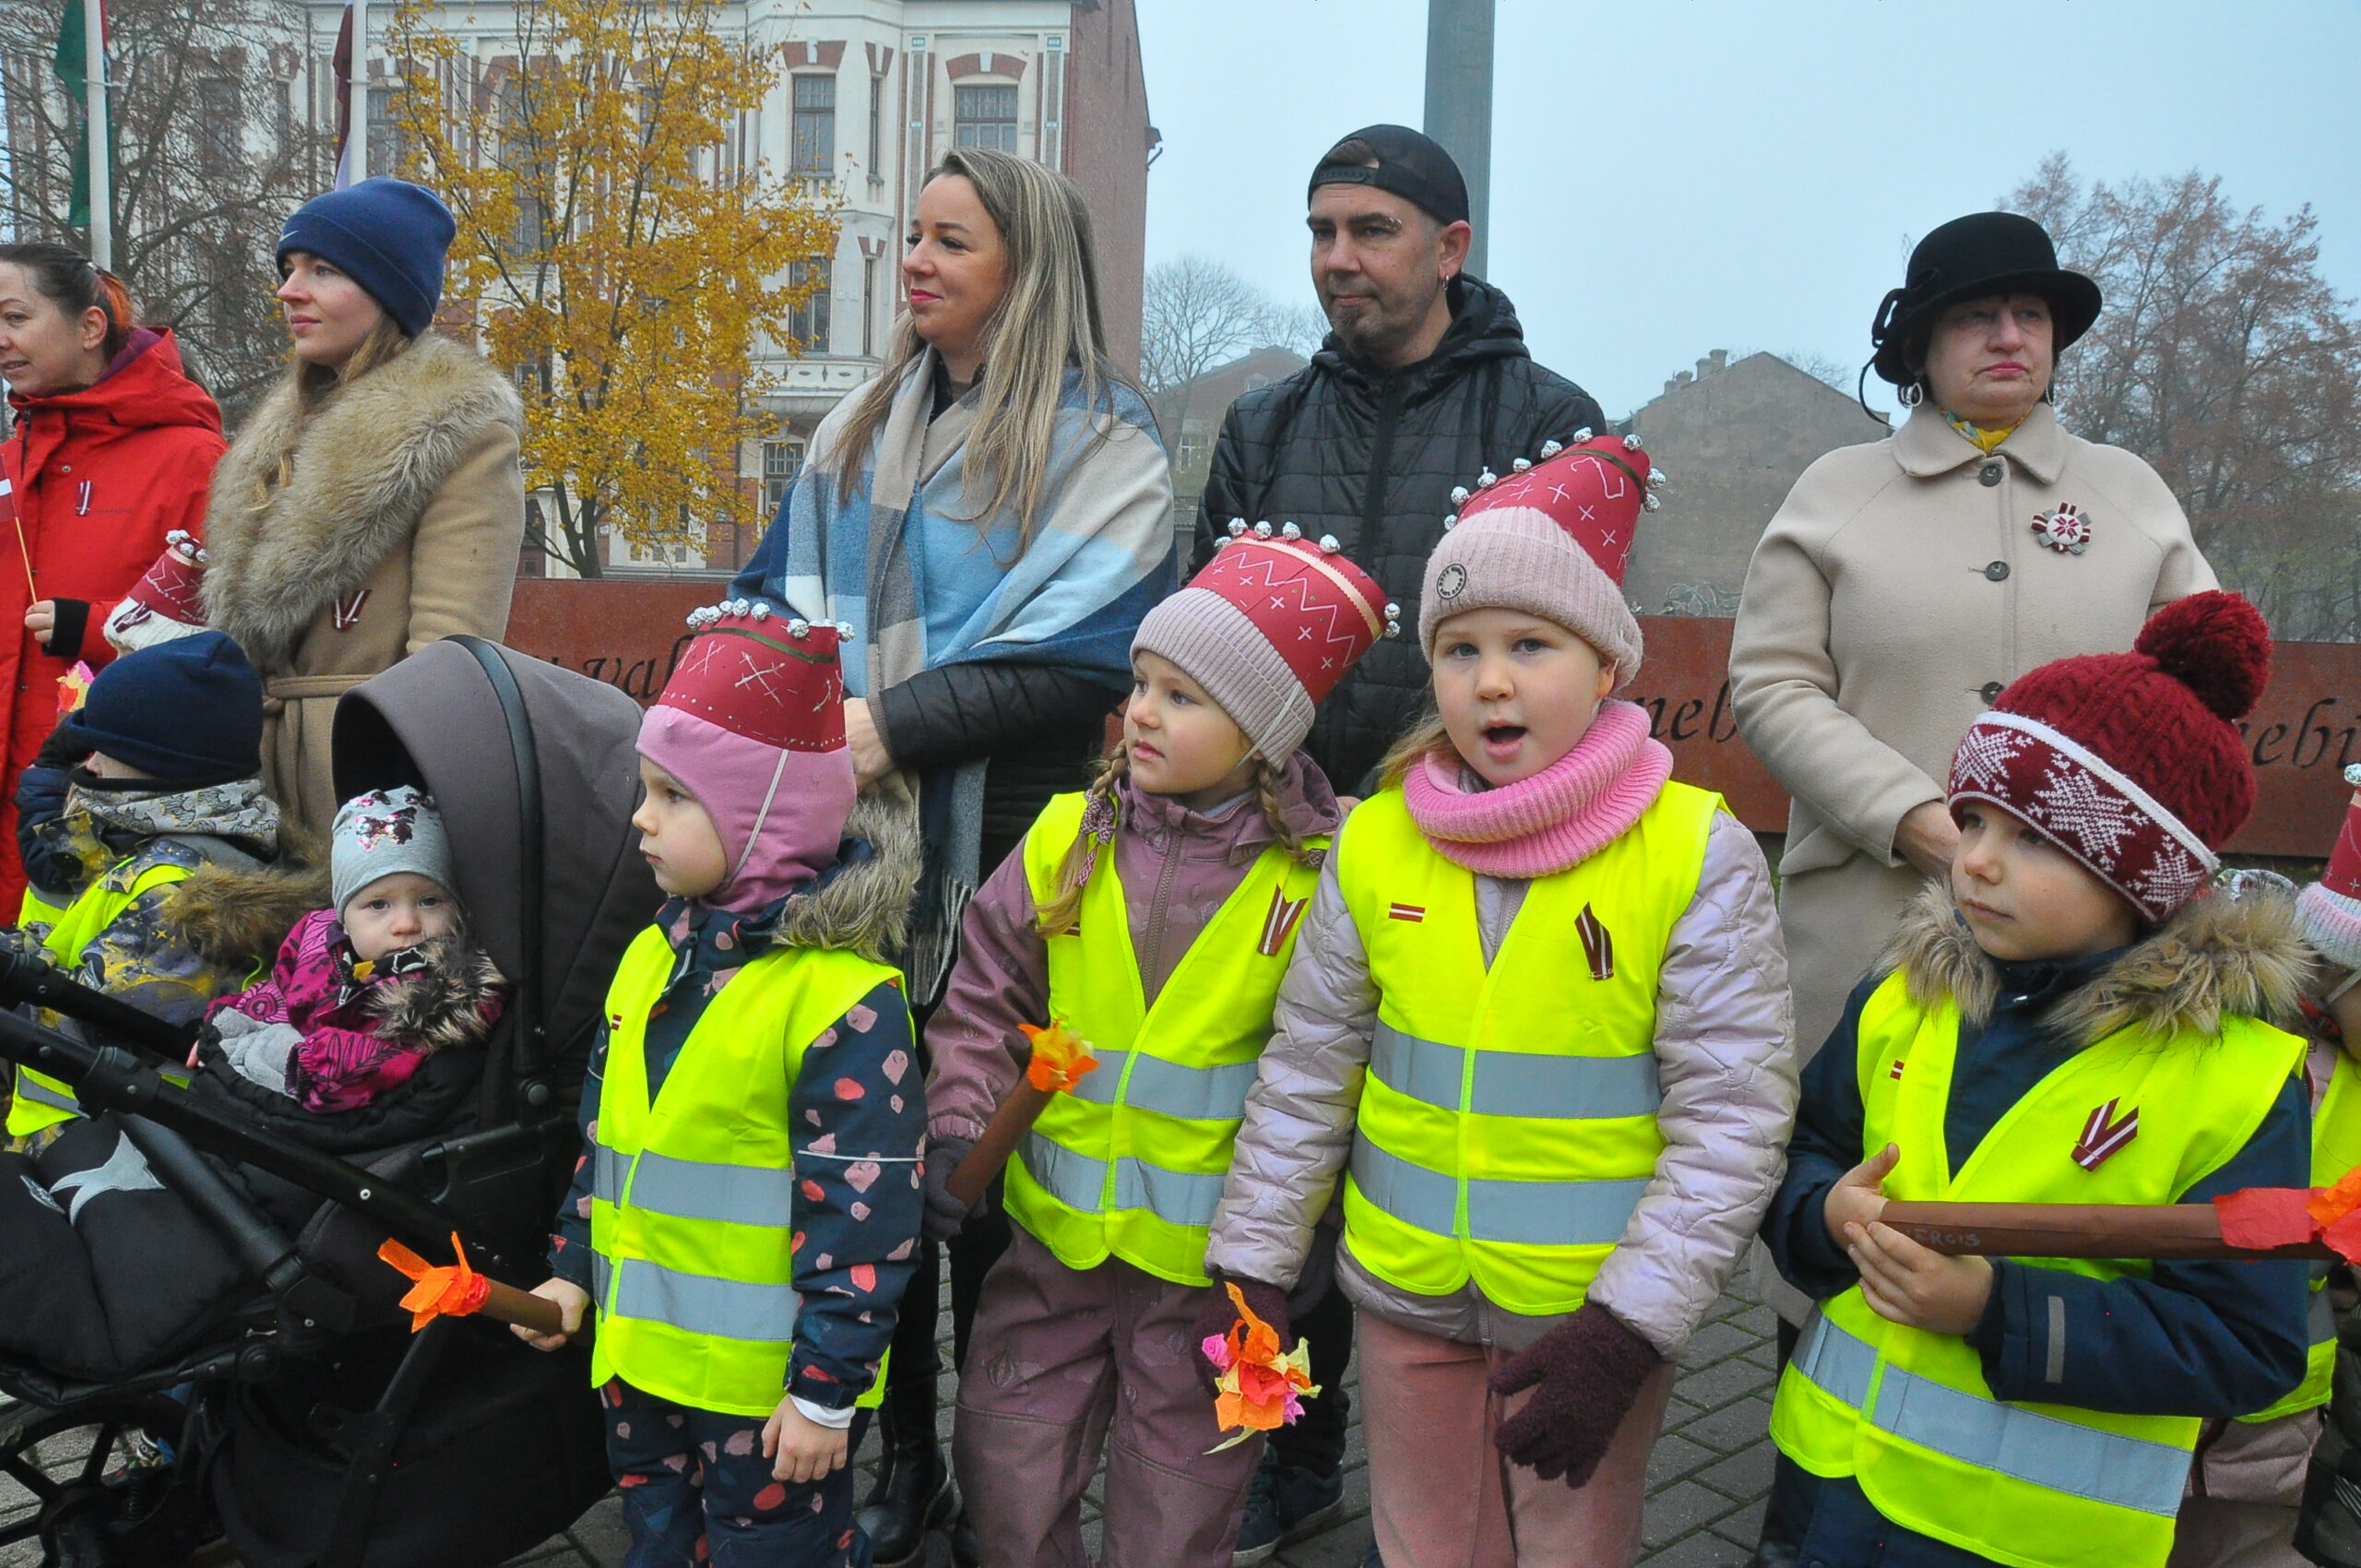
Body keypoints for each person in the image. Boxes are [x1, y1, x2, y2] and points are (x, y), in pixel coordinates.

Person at [1205, 438, 1795, 1568]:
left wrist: (1629, 1325)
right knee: (1424, 1547)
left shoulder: (1692, 849)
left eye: (1531, 644)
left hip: (1588, 1314)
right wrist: (1257, 1262)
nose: (1489, 681)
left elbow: (1732, 1117)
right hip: (1405, 1294)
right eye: (1459, 647)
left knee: (1573, 1549)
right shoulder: (1376, 839)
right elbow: (1309, 1067)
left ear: (1607, 663)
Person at [729, 146, 1174, 1564]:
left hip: (1015, 860)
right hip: (856, 857)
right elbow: (769, 594)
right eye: (914, 236)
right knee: (865, 1166)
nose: (914, 261)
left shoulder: (1107, 440)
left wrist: (882, 726)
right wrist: (759, 683)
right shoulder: (858, 426)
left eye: (951, 241)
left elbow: (1082, 655)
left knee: (980, 1185)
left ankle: (1004, 1478)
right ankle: (900, 1452)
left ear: (1024, 269)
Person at [1194, 129, 1607, 1552]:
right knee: (1280, 1166)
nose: (1337, 259)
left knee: (1437, 1152)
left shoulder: (1548, 418)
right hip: (1285, 850)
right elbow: (1214, 632)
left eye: (1370, 230)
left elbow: (1571, 658)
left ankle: (1471, 1481)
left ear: (1452, 246)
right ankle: (1288, 1449)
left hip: (1478, 858)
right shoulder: (1263, 425)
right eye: (1320, 231)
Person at [1758, 591, 2313, 1568]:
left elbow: (2247, 1345)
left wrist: (1994, 1309)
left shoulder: (2239, 1081)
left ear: (2140, 875)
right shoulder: (1902, 999)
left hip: (2027, 1543)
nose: (1974, 862)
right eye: (1972, 819)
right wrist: (1825, 1214)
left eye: (2035, 838)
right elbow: (1809, 1152)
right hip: (1823, 1496)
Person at [920, 529, 1392, 1568]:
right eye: (1141, 683)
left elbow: (1343, 1071)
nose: (1140, 711)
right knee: (1005, 1467)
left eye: (1182, 696)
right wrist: (959, 1126)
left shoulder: (1325, 878)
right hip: (1051, 1248)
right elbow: (984, 995)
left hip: (1219, 1279)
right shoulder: (1064, 836)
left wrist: (1321, 1226)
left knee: (1183, 1506)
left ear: (1262, 734)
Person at [515, 603, 925, 1568]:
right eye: (645, 788)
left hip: (764, 1394)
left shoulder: (842, 1002)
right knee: (658, 1540)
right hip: (641, 1362)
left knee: (776, 1552)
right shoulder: (650, 958)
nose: (640, 816)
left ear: (763, 817)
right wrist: (574, 1267)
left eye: (673, 795)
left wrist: (825, 1390)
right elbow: (607, 1143)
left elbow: (866, 1216)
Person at [200, 177, 526, 833]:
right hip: (244, 778)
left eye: (323, 271)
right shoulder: (280, 434)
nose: (290, 291)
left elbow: (447, 661)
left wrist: (393, 818)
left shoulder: (461, 435)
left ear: (387, 292)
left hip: (361, 780)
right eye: (290, 269)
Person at [4, 632, 315, 1142]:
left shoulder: (183, 902)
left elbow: (81, 1030)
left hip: (103, 1148)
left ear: (158, 766)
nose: (90, 764)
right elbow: (64, 887)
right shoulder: (201, 832)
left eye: (105, 748)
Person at [0, 243, 227, 916]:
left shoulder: (191, 457)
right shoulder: (11, 460)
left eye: (15, 317)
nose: (0, 340)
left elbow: (225, 633)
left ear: (91, 327)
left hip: (104, 800)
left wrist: (94, 626)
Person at [197, 786, 504, 1116]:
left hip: (336, 1105)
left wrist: (271, 1053)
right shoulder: (316, 939)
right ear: (344, 919)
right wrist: (226, 1031)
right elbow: (278, 992)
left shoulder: (446, 995)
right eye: (378, 904)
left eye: (429, 901)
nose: (406, 924)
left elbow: (362, 1071)